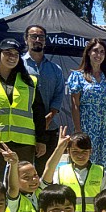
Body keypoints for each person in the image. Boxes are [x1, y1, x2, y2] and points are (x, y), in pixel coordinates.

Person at [0, 38, 47, 181]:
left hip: (24, 141)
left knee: (23, 183)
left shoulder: (30, 81)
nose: (12, 57)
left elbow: (38, 112)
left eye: (15, 54)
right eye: (7, 53)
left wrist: (41, 140)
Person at [68, 38, 106, 187]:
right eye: (95, 50)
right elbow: (75, 105)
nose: (99, 54)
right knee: (88, 161)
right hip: (87, 125)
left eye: (102, 52)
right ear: (88, 52)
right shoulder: (78, 76)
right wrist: (78, 131)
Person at [22, 24, 65, 177]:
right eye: (33, 36)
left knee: (45, 172)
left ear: (45, 41)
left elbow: (59, 94)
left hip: (49, 128)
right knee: (22, 172)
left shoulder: (55, 69)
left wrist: (51, 115)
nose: (37, 40)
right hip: (23, 128)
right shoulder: (18, 66)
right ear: (26, 39)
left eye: (41, 37)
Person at [52, 132, 106, 212]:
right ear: (68, 152)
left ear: (91, 152)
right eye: (75, 151)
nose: (80, 155)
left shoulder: (100, 172)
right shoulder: (61, 173)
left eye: (84, 151)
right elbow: (56, 204)